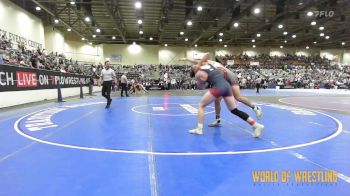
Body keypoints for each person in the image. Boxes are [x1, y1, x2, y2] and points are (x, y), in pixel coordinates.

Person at [180, 54, 263, 127]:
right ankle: (218, 119)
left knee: (238, 97)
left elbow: (199, 60)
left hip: (229, 76)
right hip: (223, 80)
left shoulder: (207, 63)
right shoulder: (204, 68)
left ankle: (255, 107)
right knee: (217, 101)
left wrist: (187, 59)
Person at [189, 62, 264, 137]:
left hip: (220, 86)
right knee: (234, 110)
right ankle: (256, 125)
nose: (194, 65)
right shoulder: (208, 66)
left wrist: (200, 81)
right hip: (227, 86)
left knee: (201, 105)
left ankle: (199, 129)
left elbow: (201, 87)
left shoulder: (198, 73)